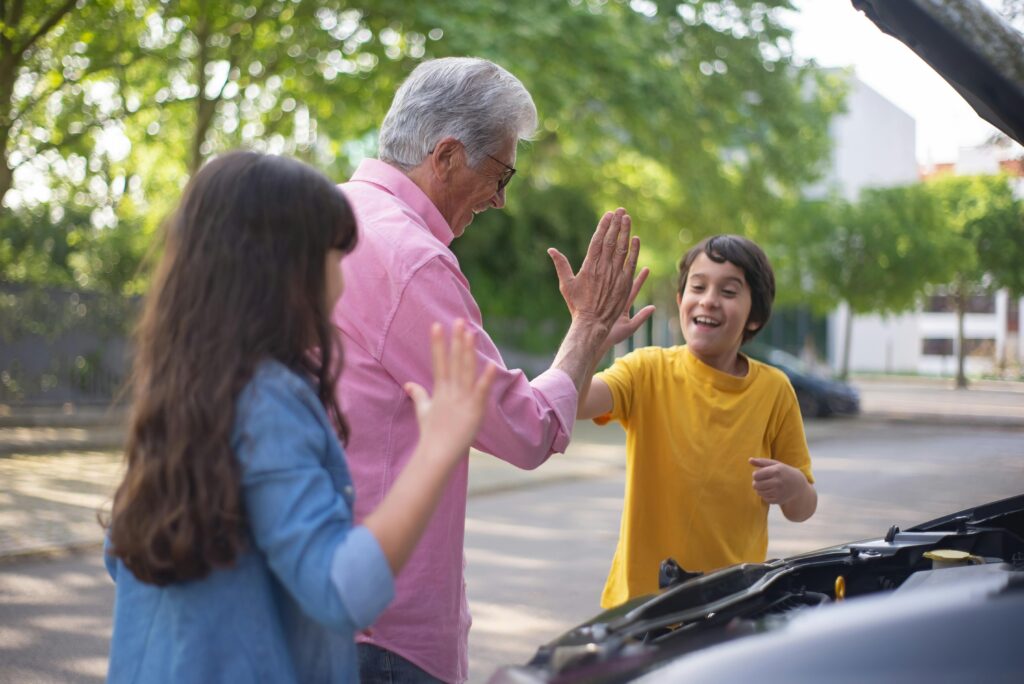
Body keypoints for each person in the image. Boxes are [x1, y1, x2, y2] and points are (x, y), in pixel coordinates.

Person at [103, 151, 496, 683]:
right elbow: (341, 591)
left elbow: (121, 559)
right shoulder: (268, 405)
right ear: (281, 273)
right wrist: (437, 449)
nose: (340, 286)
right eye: (333, 260)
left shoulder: (182, 394)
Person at [333, 57, 651, 683]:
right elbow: (523, 430)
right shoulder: (410, 261)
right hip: (383, 631)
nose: (502, 199)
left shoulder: (320, 219)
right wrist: (586, 334)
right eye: (500, 172)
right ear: (447, 156)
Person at [576, 234, 818, 609]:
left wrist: (793, 487)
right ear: (680, 301)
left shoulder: (774, 390)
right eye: (698, 286)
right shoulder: (647, 369)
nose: (708, 299)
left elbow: (803, 508)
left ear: (755, 315)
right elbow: (574, 402)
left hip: (731, 608)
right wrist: (589, 336)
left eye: (729, 291)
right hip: (640, 610)